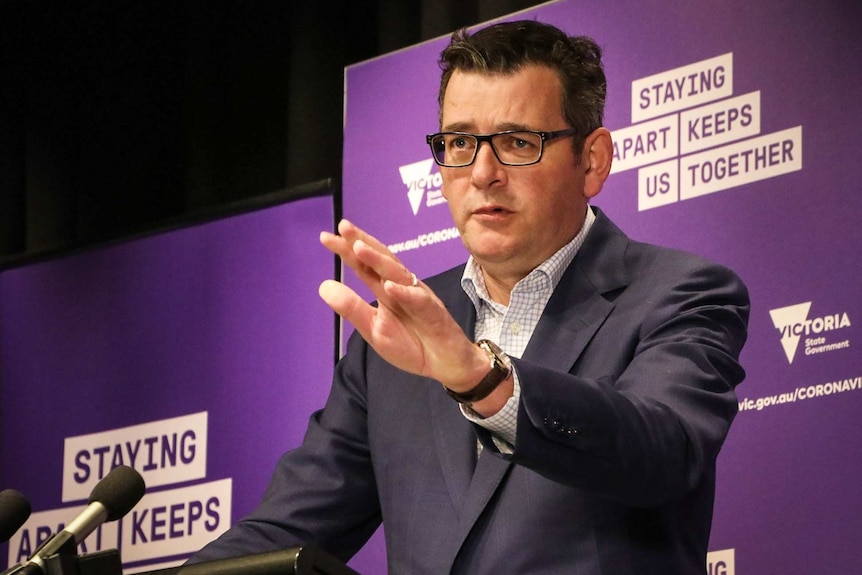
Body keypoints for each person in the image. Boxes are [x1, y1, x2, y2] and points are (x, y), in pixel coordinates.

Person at [189, 19, 749, 574]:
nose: (482, 173)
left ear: (593, 160)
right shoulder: (397, 333)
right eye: (459, 142)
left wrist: (483, 379)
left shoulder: (680, 293)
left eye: (516, 142)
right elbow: (288, 529)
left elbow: (663, 453)